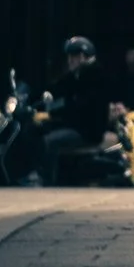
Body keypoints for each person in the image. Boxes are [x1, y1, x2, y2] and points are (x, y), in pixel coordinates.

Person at [41, 36, 108, 184]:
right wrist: (47, 94)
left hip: (88, 131)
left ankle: (47, 180)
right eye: (69, 56)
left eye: (73, 56)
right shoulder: (78, 74)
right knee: (42, 130)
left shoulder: (95, 76)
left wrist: (52, 114)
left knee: (50, 141)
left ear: (83, 57)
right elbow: (61, 86)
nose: (69, 60)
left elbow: (80, 107)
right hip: (77, 126)